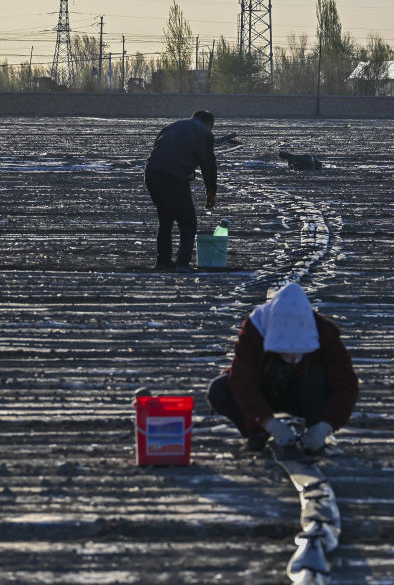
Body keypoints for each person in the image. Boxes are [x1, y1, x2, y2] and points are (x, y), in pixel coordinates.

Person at [207, 282, 359, 452]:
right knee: (219, 389)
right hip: (265, 391)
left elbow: (346, 384)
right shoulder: (255, 329)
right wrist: (269, 423)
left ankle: (314, 431)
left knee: (318, 373)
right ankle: (257, 432)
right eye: (286, 352)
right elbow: (242, 381)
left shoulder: (324, 332)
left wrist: (326, 425)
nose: (293, 358)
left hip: (305, 395)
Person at [144, 110, 218, 273]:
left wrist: (187, 171)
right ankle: (183, 264)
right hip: (173, 177)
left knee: (166, 219)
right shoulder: (204, 133)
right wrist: (211, 193)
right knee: (188, 221)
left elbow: (165, 153)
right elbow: (208, 165)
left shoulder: (172, 127)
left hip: (151, 174)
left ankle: (163, 261)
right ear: (209, 124)